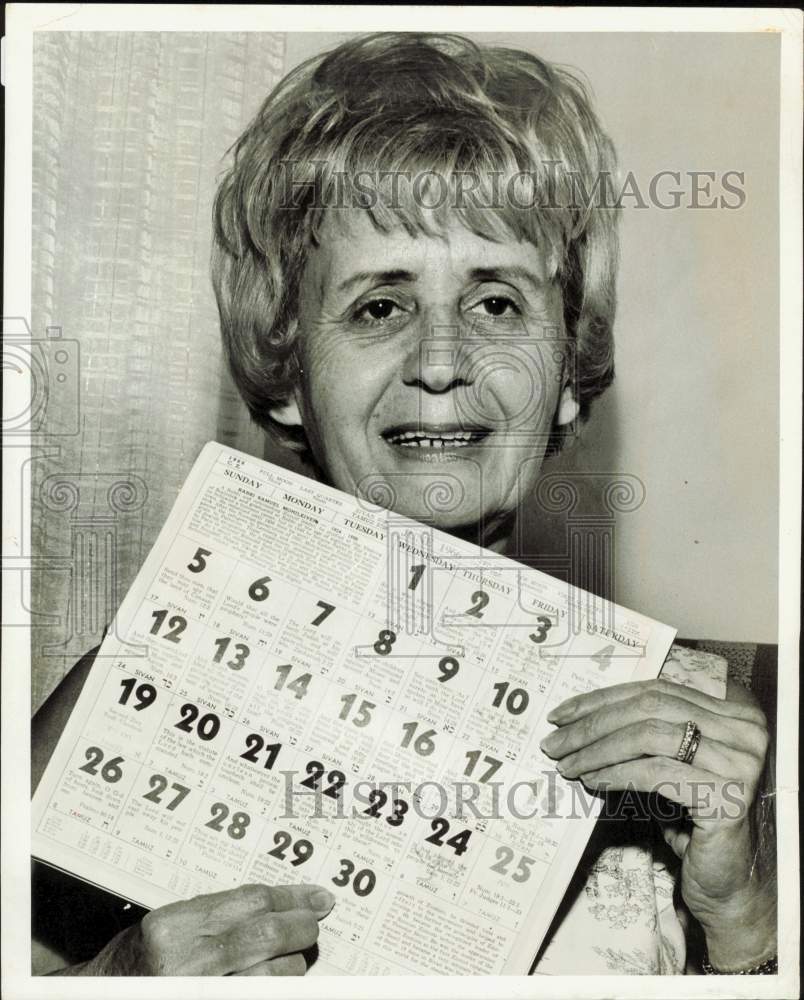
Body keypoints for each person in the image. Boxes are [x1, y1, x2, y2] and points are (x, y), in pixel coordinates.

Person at [32, 31, 776, 976]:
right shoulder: (128, 694)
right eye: (379, 307)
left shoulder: (701, 725)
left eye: (498, 304)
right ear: (290, 371)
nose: (439, 362)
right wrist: (122, 980)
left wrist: (746, 920)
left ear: (568, 377)